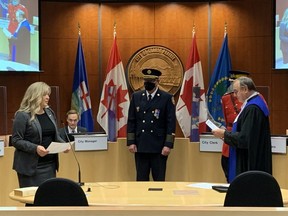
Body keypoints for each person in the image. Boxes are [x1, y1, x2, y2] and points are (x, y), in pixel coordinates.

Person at [212, 77, 272, 183]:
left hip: (249, 162)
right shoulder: (253, 103)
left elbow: (245, 139)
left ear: (245, 89)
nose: (234, 95)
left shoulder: (253, 108)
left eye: (236, 91)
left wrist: (225, 134)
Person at [12, 82, 69, 188]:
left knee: (48, 200)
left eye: (48, 94)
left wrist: (63, 145)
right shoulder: (22, 115)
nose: (47, 97)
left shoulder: (49, 112)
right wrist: (36, 148)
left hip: (50, 164)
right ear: (35, 96)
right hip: (30, 167)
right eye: (44, 94)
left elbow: (55, 135)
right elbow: (16, 140)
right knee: (33, 201)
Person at [127, 68, 176, 181]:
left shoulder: (166, 98)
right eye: (146, 80)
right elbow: (131, 120)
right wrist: (131, 142)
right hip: (141, 145)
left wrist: (168, 144)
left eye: (151, 81)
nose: (148, 83)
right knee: (141, 179)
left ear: (157, 81)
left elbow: (171, 123)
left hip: (159, 146)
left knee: (159, 180)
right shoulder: (136, 96)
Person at [220, 70, 249, 182]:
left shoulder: (252, 101)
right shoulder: (226, 99)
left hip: (244, 138)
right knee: (228, 171)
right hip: (230, 140)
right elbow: (227, 122)